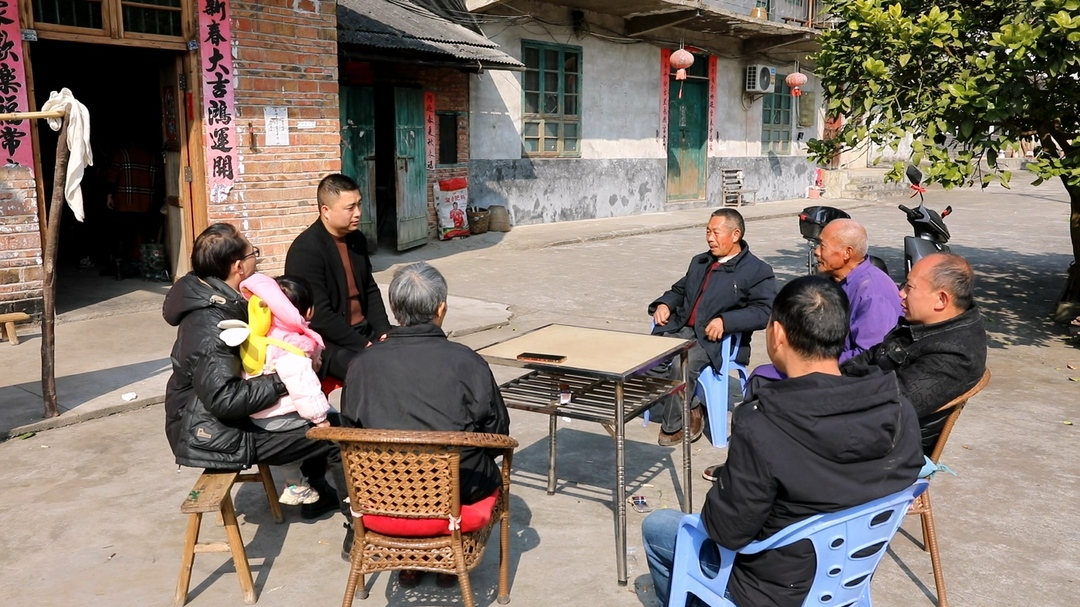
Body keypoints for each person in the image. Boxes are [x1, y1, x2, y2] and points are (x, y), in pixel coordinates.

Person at [641, 276, 924, 607]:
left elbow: (726, 530)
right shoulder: (898, 407)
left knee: (660, 527)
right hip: (848, 578)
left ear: (777, 334)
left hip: (771, 589)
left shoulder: (763, 423)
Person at [163, 223, 348, 523]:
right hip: (209, 432)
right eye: (254, 255)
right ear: (238, 267)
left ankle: (318, 493)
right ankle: (358, 525)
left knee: (324, 413)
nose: (257, 261)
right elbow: (225, 400)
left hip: (214, 420)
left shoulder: (225, 300)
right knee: (339, 434)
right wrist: (285, 378)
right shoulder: (210, 325)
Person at [340, 261, 510, 585]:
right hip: (455, 491)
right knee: (477, 463)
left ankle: (411, 560)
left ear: (395, 309)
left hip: (381, 492)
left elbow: (350, 431)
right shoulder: (467, 361)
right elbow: (498, 430)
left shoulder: (362, 365)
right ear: (441, 309)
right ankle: (448, 555)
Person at [648, 208, 776, 446]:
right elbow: (679, 290)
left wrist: (726, 321)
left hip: (715, 339)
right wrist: (665, 303)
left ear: (735, 234)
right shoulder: (700, 261)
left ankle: (675, 424)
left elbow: (763, 311)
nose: (709, 238)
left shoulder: (757, 271)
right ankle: (694, 403)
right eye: (707, 231)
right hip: (682, 328)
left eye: (716, 232)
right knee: (642, 358)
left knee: (681, 365)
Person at [844, 252, 987, 453]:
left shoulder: (953, 354)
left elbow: (889, 407)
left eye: (909, 287)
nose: (900, 293)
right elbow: (869, 357)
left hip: (883, 451)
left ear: (941, 299)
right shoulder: (924, 324)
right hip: (857, 421)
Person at [233, 273, 332, 506]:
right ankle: (296, 484)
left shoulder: (262, 335)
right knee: (327, 424)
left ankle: (301, 479)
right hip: (279, 419)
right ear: (307, 312)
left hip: (258, 413)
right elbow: (304, 389)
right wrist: (321, 419)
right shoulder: (292, 347)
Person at [285, 173, 392, 383]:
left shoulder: (357, 239)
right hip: (328, 341)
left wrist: (383, 331)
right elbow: (320, 315)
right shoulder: (306, 250)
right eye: (350, 208)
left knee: (413, 350)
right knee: (375, 371)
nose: (358, 213)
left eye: (359, 205)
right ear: (326, 210)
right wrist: (363, 344)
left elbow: (369, 288)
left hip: (364, 329)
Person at [815, 218, 902, 362]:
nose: (817, 252)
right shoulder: (833, 281)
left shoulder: (873, 292)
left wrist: (817, 364)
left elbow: (869, 355)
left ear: (847, 253)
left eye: (822, 246)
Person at [104, 144, 163, 277]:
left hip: (125, 203)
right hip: (146, 203)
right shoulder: (152, 157)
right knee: (142, 235)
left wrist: (109, 195)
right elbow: (159, 180)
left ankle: (120, 267)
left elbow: (112, 176)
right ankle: (142, 266)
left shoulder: (121, 154)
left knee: (122, 236)